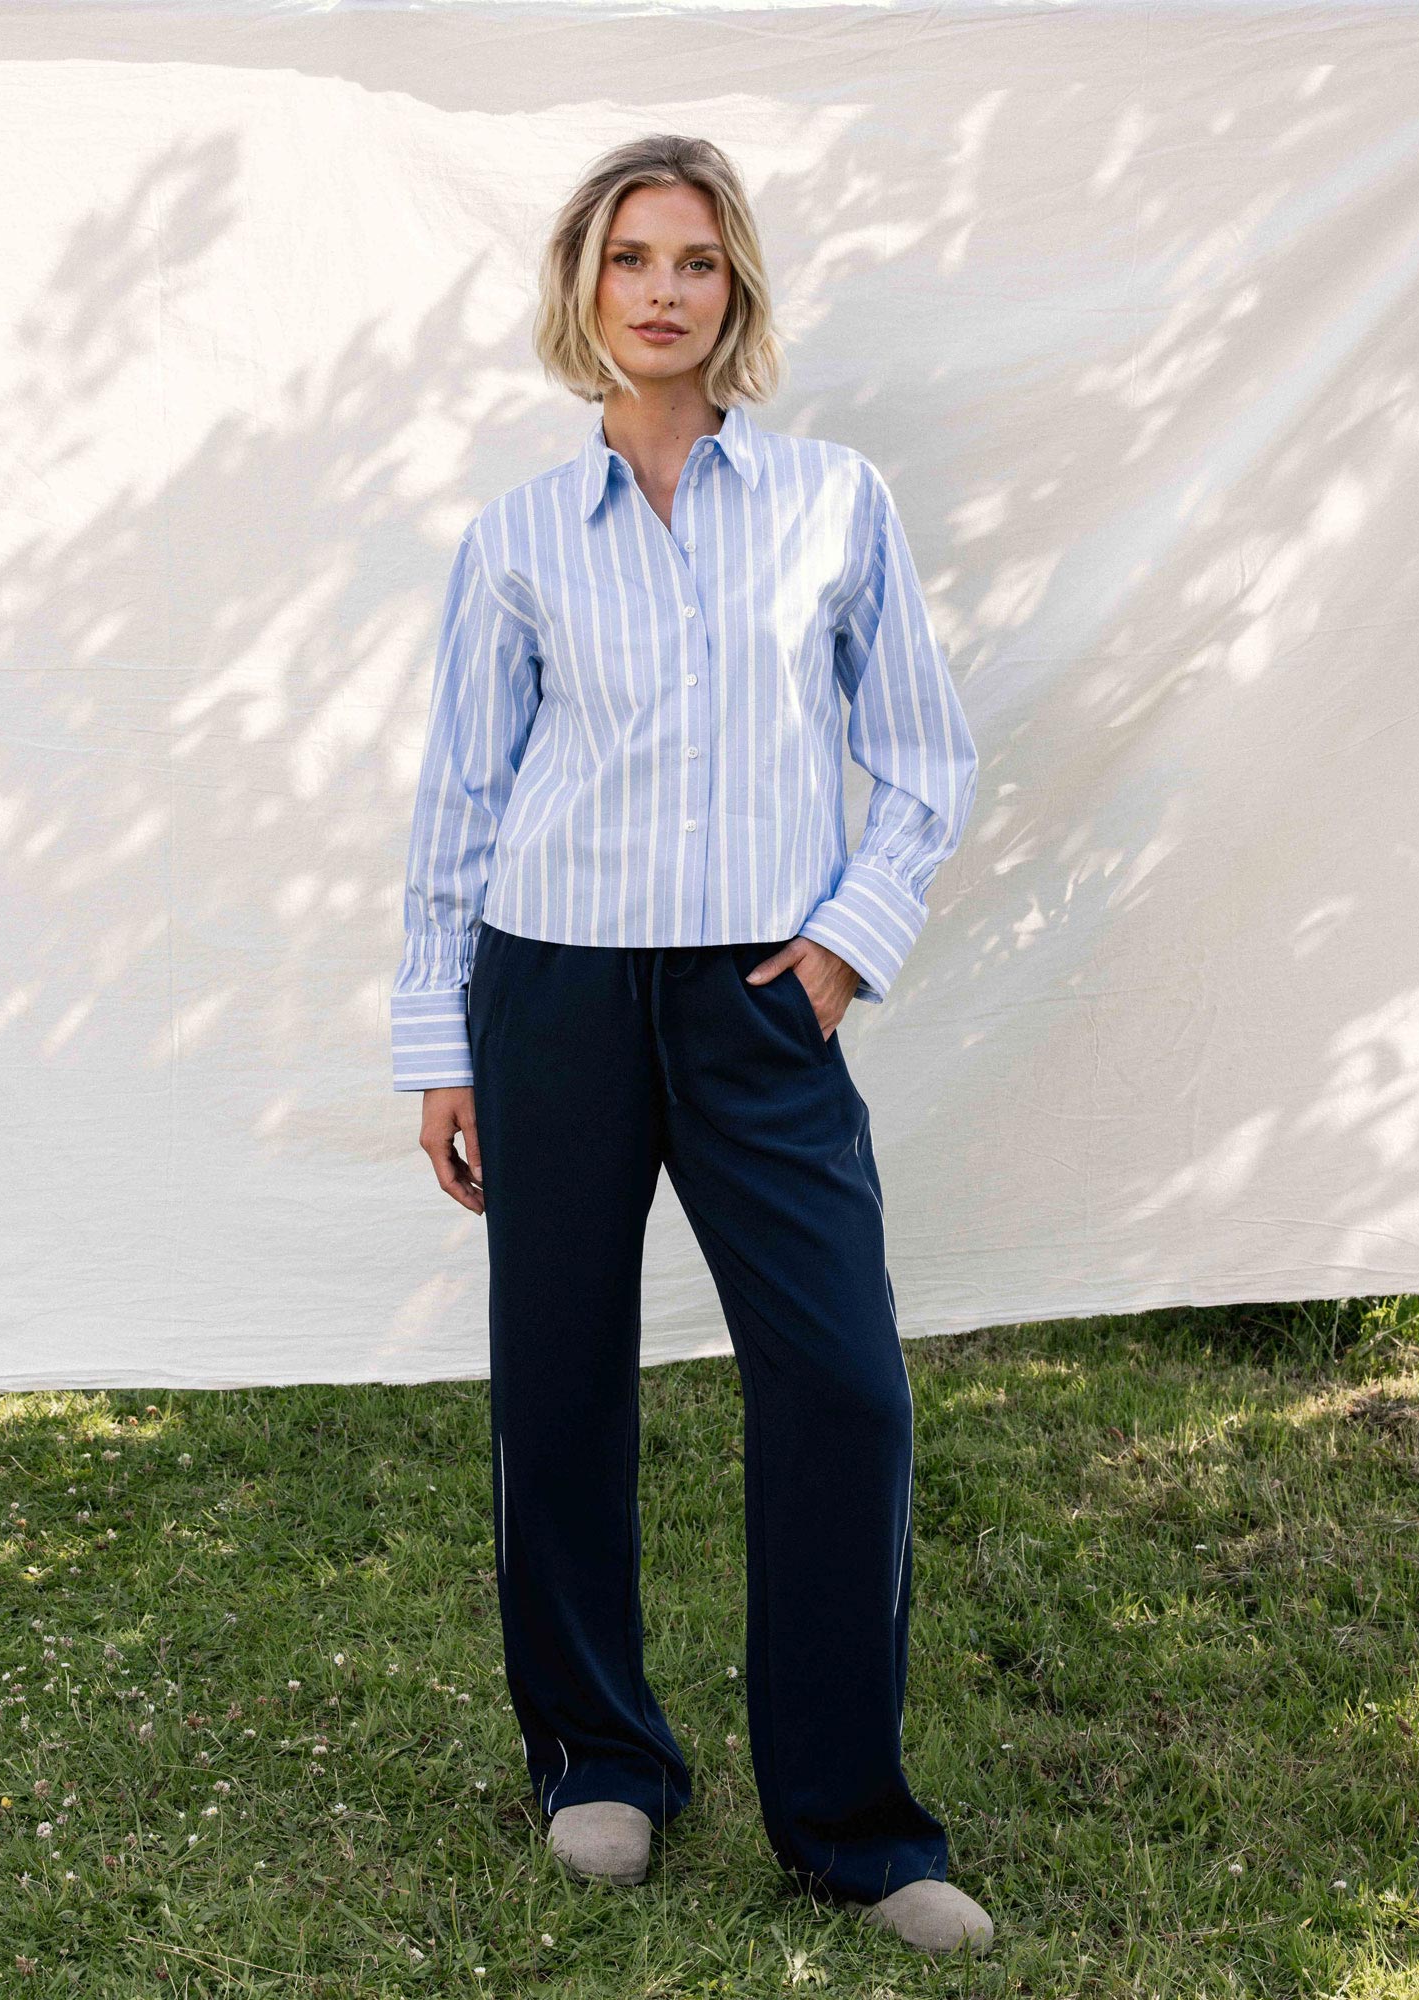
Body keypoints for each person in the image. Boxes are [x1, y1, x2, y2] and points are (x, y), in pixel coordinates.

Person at [390, 133, 988, 1957]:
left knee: (843, 1385)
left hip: (757, 998)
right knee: (559, 1380)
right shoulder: (513, 539)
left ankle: (852, 1823)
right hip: (553, 991)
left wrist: (837, 958)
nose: (663, 289)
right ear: (586, 287)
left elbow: (932, 760)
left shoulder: (830, 499)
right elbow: (460, 807)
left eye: (698, 263)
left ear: (738, 295)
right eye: (633, 257)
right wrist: (446, 1042)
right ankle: (599, 1759)